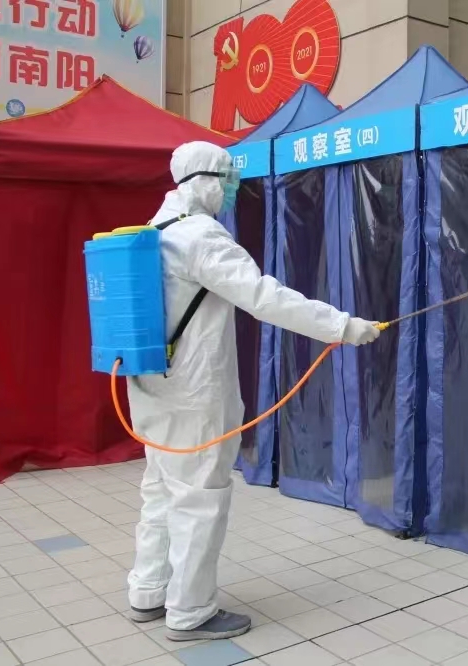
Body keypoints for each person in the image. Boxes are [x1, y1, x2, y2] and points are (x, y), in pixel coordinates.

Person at [126, 141, 380, 641]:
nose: (231, 191)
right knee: (199, 496)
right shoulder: (201, 237)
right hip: (194, 395)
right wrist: (343, 326)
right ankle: (190, 611)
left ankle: (148, 590)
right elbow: (265, 297)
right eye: (227, 181)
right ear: (204, 181)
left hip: (151, 388)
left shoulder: (153, 231)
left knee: (160, 489)